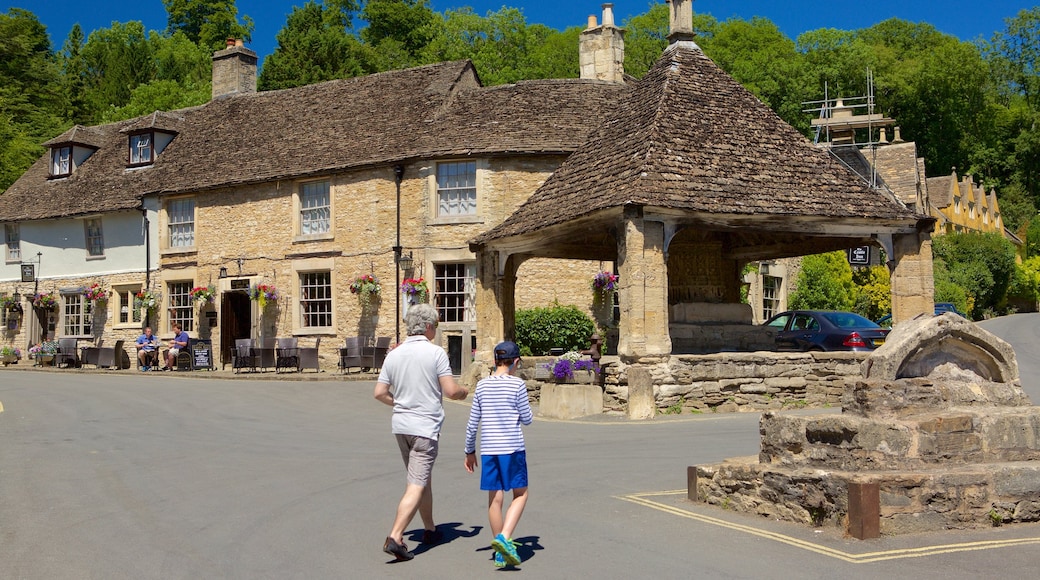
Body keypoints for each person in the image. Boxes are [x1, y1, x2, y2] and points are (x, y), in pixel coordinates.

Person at [374, 303, 468, 562]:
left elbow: (380, 393)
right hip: (424, 428)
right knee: (416, 483)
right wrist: (464, 391)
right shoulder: (435, 353)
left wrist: (401, 403)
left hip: (401, 425)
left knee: (421, 478)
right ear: (428, 326)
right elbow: (450, 391)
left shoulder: (394, 354)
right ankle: (395, 536)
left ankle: (430, 529)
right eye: (435, 326)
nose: (435, 330)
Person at [464, 340, 533, 568]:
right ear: (515, 362)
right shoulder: (517, 385)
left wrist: (469, 451)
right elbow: (528, 418)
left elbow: (473, 422)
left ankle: (500, 553)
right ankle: (504, 537)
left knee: (495, 499)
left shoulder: (482, 386)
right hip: (512, 448)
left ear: (495, 361)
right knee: (521, 494)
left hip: (489, 450)